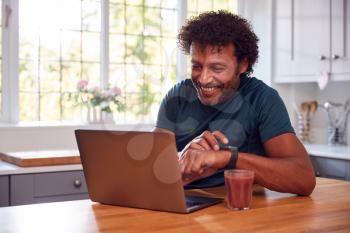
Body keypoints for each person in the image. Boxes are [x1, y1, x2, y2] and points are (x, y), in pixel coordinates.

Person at [154, 11, 316, 196]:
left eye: (217, 68)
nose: (204, 79)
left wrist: (228, 158)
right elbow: (150, 164)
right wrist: (183, 156)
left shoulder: (262, 99)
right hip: (183, 203)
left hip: (239, 208)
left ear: (243, 64)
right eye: (197, 66)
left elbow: (304, 179)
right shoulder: (178, 96)